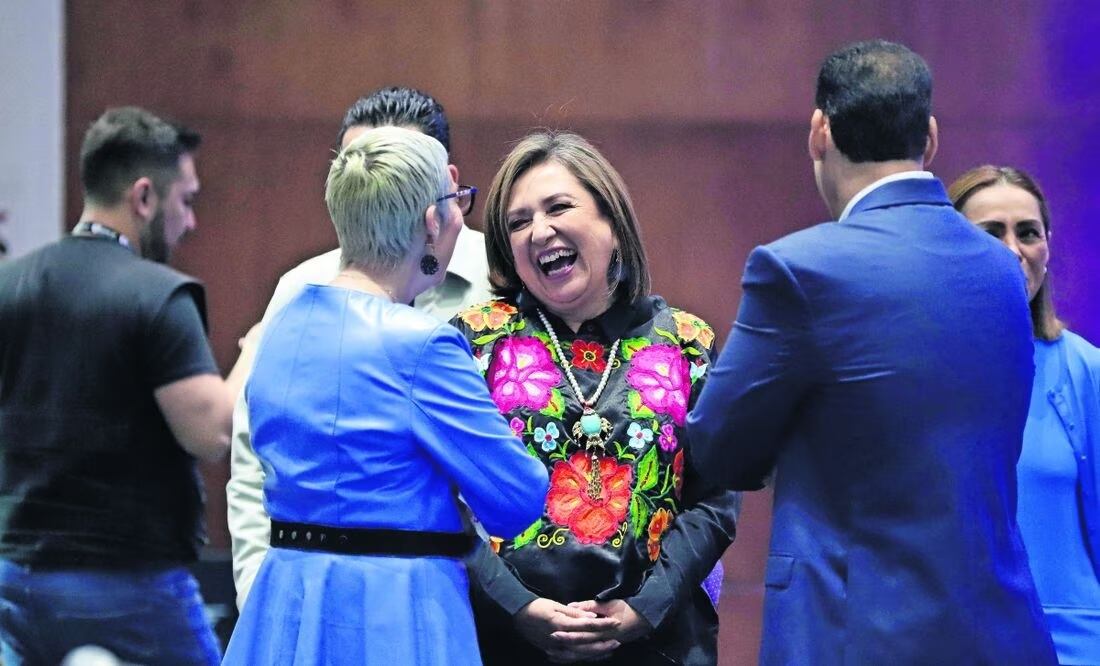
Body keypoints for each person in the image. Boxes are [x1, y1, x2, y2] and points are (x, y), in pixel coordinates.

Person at [687, 40, 1057, 663]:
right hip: (996, 634)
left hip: (850, 635)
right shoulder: (1000, 272)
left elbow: (721, 449)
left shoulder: (797, 269)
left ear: (819, 131)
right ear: (931, 138)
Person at [221, 126, 548, 665]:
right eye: (456, 201)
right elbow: (515, 499)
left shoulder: (281, 327)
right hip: (395, 613)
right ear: (430, 221)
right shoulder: (422, 345)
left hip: (285, 603)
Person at [452, 130, 740, 665]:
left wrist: (645, 608)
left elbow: (714, 501)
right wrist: (517, 605)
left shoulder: (688, 341)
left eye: (558, 207)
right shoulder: (472, 341)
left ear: (611, 220)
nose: (540, 230)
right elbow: (440, 499)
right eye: (518, 222)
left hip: (658, 638)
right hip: (501, 638)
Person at [226, 86, 494, 607]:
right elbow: (254, 461)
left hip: (489, 604)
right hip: (319, 594)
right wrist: (262, 594)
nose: (379, 196)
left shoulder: (505, 276)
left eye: (400, 179)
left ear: (448, 185)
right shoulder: (299, 290)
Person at [0, 107, 230, 664]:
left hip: (13, 580)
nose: (190, 223)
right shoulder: (158, 295)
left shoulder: (9, 286)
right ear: (144, 197)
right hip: (128, 587)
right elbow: (213, 434)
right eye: (187, 201)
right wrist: (254, 350)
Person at [950, 165, 1100, 664]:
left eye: (1028, 232)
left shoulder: (1087, 371)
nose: (1013, 249)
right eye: (991, 232)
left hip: (1071, 649)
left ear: (1048, 247)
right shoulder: (919, 370)